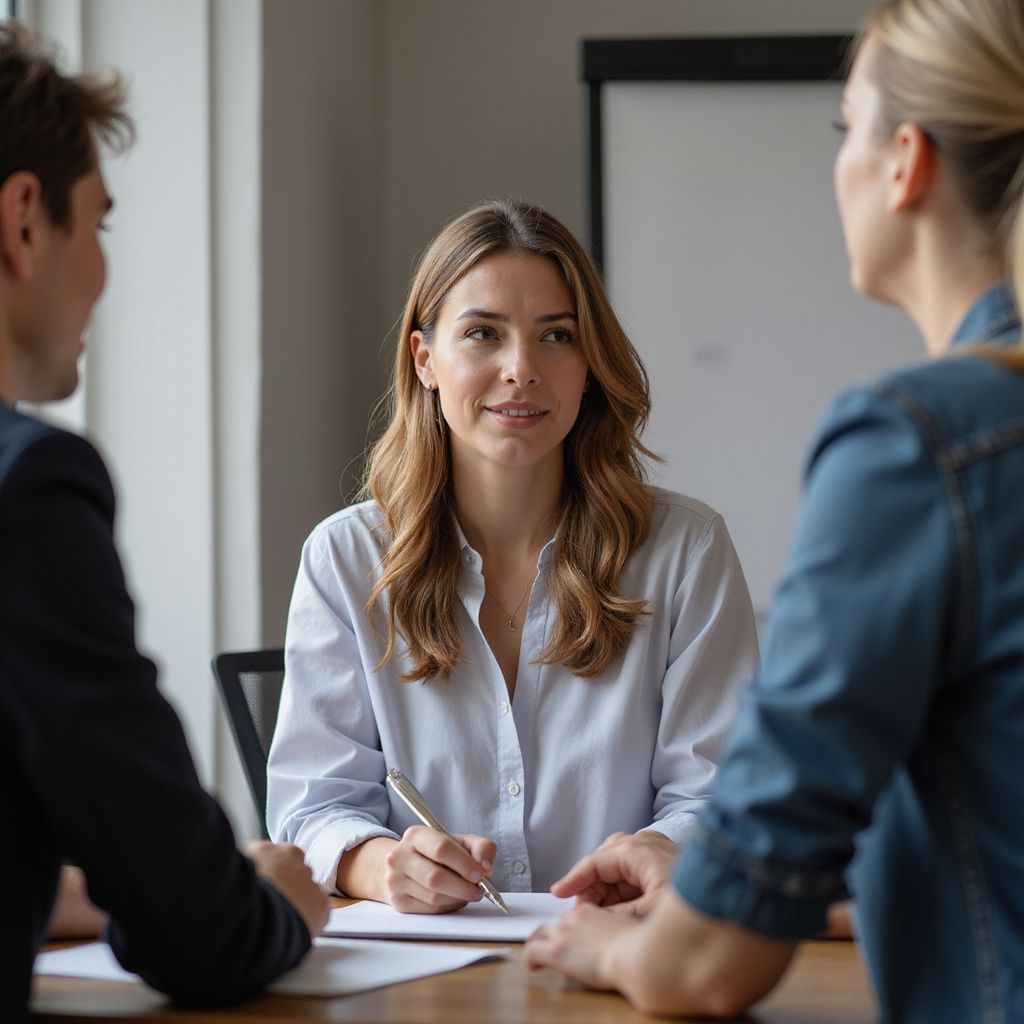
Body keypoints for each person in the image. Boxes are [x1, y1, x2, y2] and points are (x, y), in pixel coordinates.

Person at [524, 0, 1024, 1020]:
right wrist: (803, 893)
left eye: (846, 128)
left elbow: (703, 973)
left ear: (904, 162)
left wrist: (621, 951)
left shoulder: (915, 443)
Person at [266, 199, 759, 913]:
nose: (521, 369)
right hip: (422, 980)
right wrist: (384, 866)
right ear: (425, 360)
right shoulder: (345, 558)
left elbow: (722, 796)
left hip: (626, 954)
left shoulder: (686, 551)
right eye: (483, 335)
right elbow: (312, 809)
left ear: (589, 364)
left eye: (556, 335)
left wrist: (669, 846)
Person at [0, 22, 328, 1022]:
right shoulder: (29, 488)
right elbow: (203, 934)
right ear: (22, 220)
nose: (101, 269)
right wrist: (275, 902)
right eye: (96, 225)